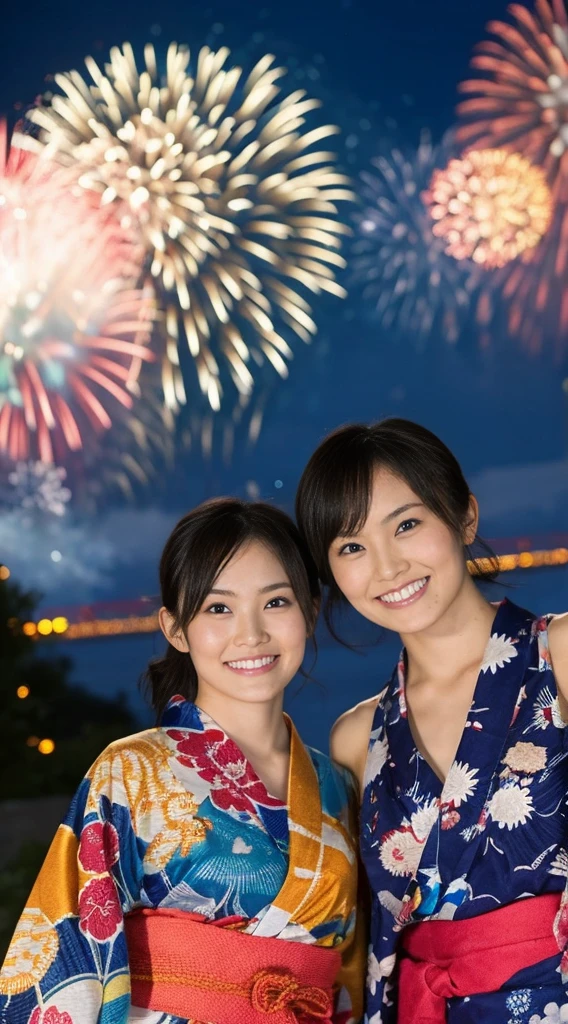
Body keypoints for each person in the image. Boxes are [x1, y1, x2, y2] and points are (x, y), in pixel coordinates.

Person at [0, 498, 365, 1024]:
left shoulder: (335, 786)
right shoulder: (130, 770)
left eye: (276, 602)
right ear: (174, 628)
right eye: (218, 608)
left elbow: (349, 972)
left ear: (310, 610)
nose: (251, 633)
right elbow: (69, 949)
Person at [295, 418, 568, 1024]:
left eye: (407, 525)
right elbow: (355, 937)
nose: (387, 566)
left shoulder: (560, 657)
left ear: (464, 518)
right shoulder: (356, 739)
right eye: (352, 547)